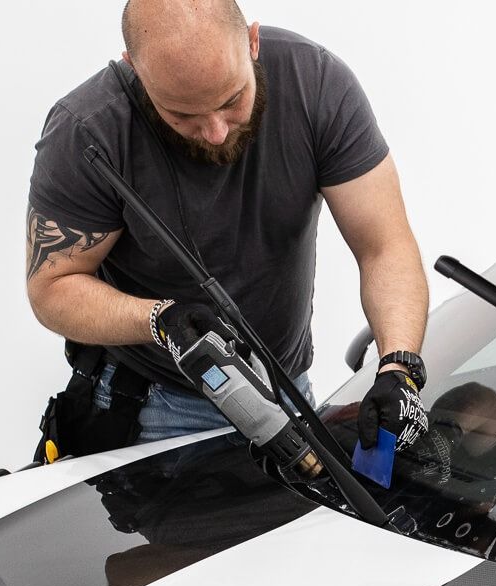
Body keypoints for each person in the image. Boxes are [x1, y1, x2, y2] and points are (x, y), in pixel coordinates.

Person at [25, 0, 428, 459]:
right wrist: (160, 320)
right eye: (182, 115)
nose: (216, 132)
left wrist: (399, 367)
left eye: (232, 100)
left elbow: (383, 246)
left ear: (252, 41)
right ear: (134, 69)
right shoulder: (88, 131)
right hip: (158, 405)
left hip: (288, 390)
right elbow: (51, 288)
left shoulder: (315, 83)